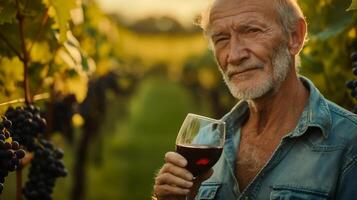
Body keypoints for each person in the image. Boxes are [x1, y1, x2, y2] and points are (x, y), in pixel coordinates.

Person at [153, 0, 357, 199]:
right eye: (221, 39)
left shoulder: (350, 143)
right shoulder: (206, 142)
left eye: (252, 31)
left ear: (295, 36)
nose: (234, 55)